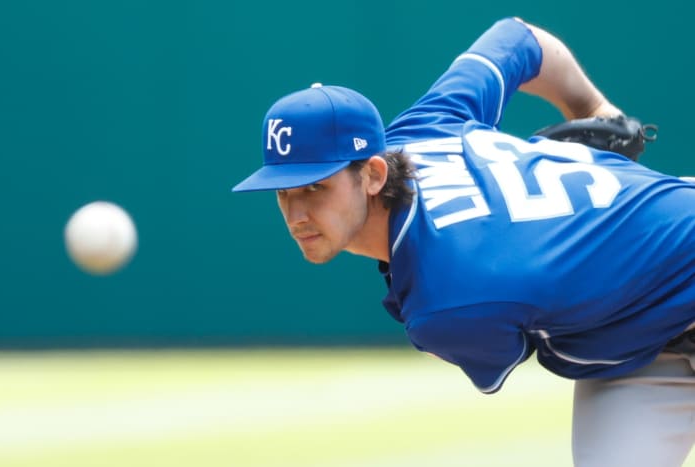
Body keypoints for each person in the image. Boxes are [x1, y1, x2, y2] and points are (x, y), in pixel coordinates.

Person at [232, 17, 695, 466]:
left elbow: (542, 346)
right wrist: (594, 110)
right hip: (646, 337)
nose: (296, 214)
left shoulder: (447, 303)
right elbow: (518, 38)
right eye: (284, 192)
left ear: (373, 174)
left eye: (316, 187)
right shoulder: (424, 128)